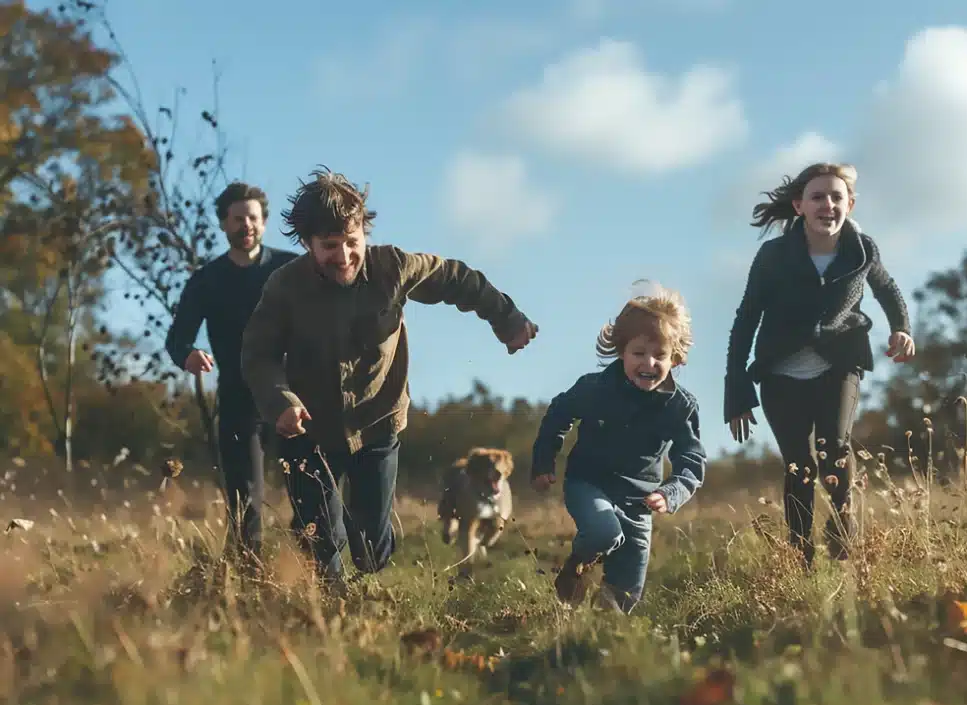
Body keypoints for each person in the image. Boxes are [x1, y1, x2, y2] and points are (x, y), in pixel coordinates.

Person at [240, 167, 538, 584]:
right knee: (322, 542)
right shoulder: (284, 288)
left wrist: (506, 318)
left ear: (364, 232)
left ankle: (344, 532)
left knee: (370, 551)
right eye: (329, 246)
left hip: (376, 426)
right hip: (307, 430)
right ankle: (330, 607)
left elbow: (456, 279)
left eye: (351, 242)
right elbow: (258, 354)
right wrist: (280, 402)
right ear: (307, 244)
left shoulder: (392, 268)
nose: (343, 256)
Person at [723, 162, 916, 568]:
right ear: (799, 206)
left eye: (836, 197)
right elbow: (746, 319)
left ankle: (843, 537)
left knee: (835, 451)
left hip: (839, 363)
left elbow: (888, 290)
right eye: (817, 197)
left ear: (850, 204)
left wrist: (901, 328)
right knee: (799, 465)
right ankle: (800, 555)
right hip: (780, 373)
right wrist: (736, 390)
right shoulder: (774, 256)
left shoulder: (862, 249)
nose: (827, 204)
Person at [530, 282, 706, 614]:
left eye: (660, 356)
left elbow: (692, 460)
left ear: (675, 358)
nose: (649, 363)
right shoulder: (595, 388)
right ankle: (575, 567)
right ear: (621, 351)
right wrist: (544, 462)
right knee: (603, 532)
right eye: (639, 353)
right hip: (589, 483)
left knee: (625, 593)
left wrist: (671, 493)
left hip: (640, 502)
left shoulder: (680, 407)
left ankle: (594, 637)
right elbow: (558, 415)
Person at [165, 182, 299, 564]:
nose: (247, 225)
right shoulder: (206, 280)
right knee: (246, 502)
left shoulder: (289, 269)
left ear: (264, 222)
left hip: (294, 395)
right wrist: (188, 355)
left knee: (309, 495)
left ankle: (314, 580)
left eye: (253, 218)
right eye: (238, 218)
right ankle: (246, 582)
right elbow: (177, 338)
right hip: (240, 399)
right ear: (223, 224)